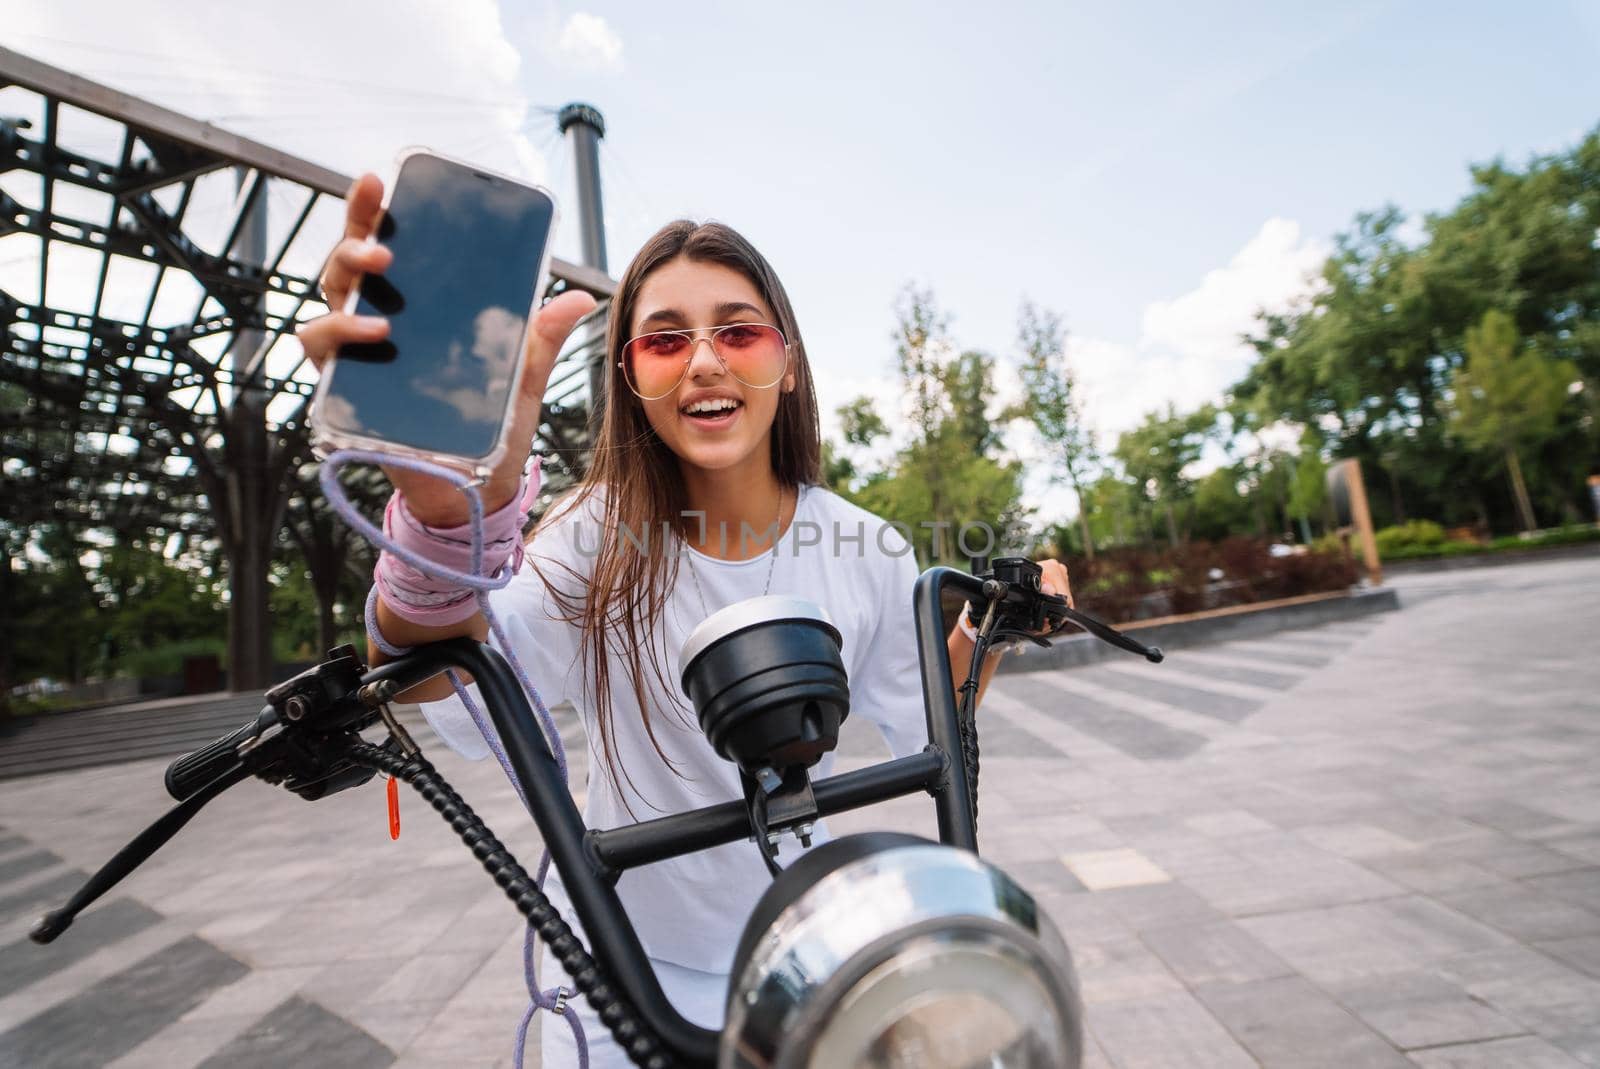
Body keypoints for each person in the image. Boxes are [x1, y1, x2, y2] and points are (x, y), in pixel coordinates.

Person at [297, 173, 1073, 1068]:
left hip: (806, 959)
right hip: (620, 975)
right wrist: (444, 511)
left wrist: (994, 628)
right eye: (665, 342)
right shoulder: (590, 538)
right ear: (630, 378)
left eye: (738, 331)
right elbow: (445, 677)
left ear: (786, 363)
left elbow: (926, 718)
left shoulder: (864, 543)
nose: (705, 360)